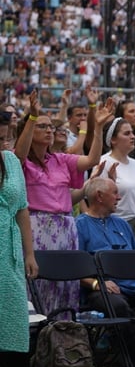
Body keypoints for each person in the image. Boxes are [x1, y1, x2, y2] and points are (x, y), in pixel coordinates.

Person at [16, 90, 113, 317]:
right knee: (37, 285)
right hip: (36, 228)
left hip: (65, 227)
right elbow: (20, 154)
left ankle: (63, 336)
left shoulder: (60, 159)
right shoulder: (21, 161)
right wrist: (32, 116)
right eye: (43, 126)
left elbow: (92, 160)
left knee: (64, 286)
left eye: (51, 126)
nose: (49, 130)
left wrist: (97, 128)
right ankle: (37, 339)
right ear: (28, 130)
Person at [76, 177, 135, 367]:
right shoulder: (80, 226)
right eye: (115, 193)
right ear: (99, 196)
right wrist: (95, 284)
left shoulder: (122, 224)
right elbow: (76, 269)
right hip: (101, 287)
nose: (119, 197)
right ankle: (133, 358)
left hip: (133, 284)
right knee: (118, 306)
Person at [0, 117, 38, 367]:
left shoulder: (11, 161)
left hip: (8, 250)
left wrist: (29, 253)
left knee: (8, 321)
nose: (3, 144)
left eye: (5, 138)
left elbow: (22, 209)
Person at [100, 117, 135, 242]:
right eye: (127, 133)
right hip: (116, 224)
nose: (133, 137)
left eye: (132, 133)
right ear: (113, 140)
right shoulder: (104, 163)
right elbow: (98, 201)